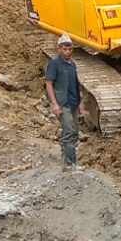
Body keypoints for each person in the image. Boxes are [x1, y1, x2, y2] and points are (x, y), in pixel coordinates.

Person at [44, 34, 83, 170]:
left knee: (75, 132)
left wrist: (80, 103)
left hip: (73, 103)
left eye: (69, 49)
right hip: (63, 103)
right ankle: (70, 164)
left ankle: (65, 160)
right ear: (59, 49)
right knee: (69, 131)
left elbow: (76, 84)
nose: (67, 52)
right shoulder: (54, 64)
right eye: (64, 49)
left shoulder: (72, 64)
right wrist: (54, 104)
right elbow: (49, 83)